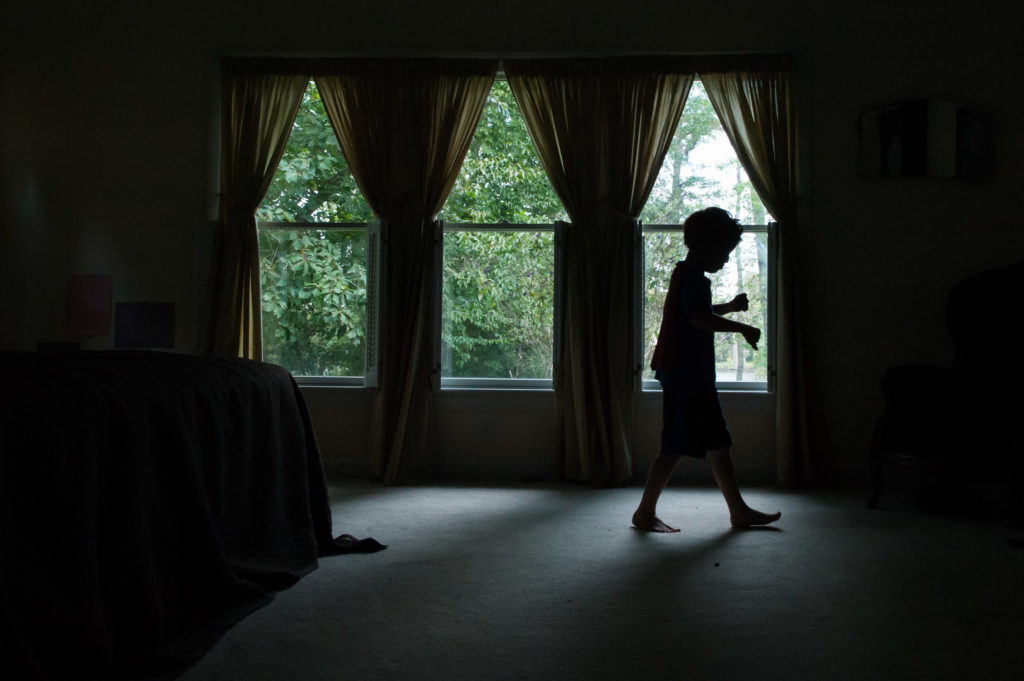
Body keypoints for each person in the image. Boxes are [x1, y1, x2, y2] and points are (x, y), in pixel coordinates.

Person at [633, 207, 781, 533]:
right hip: (685, 374)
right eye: (724, 253)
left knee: (717, 440)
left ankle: (738, 511)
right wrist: (742, 327)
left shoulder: (687, 275)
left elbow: (695, 311)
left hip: (688, 372)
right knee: (675, 444)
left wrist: (728, 308)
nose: (726, 260)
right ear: (706, 246)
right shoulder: (693, 279)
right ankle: (644, 513)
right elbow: (698, 319)